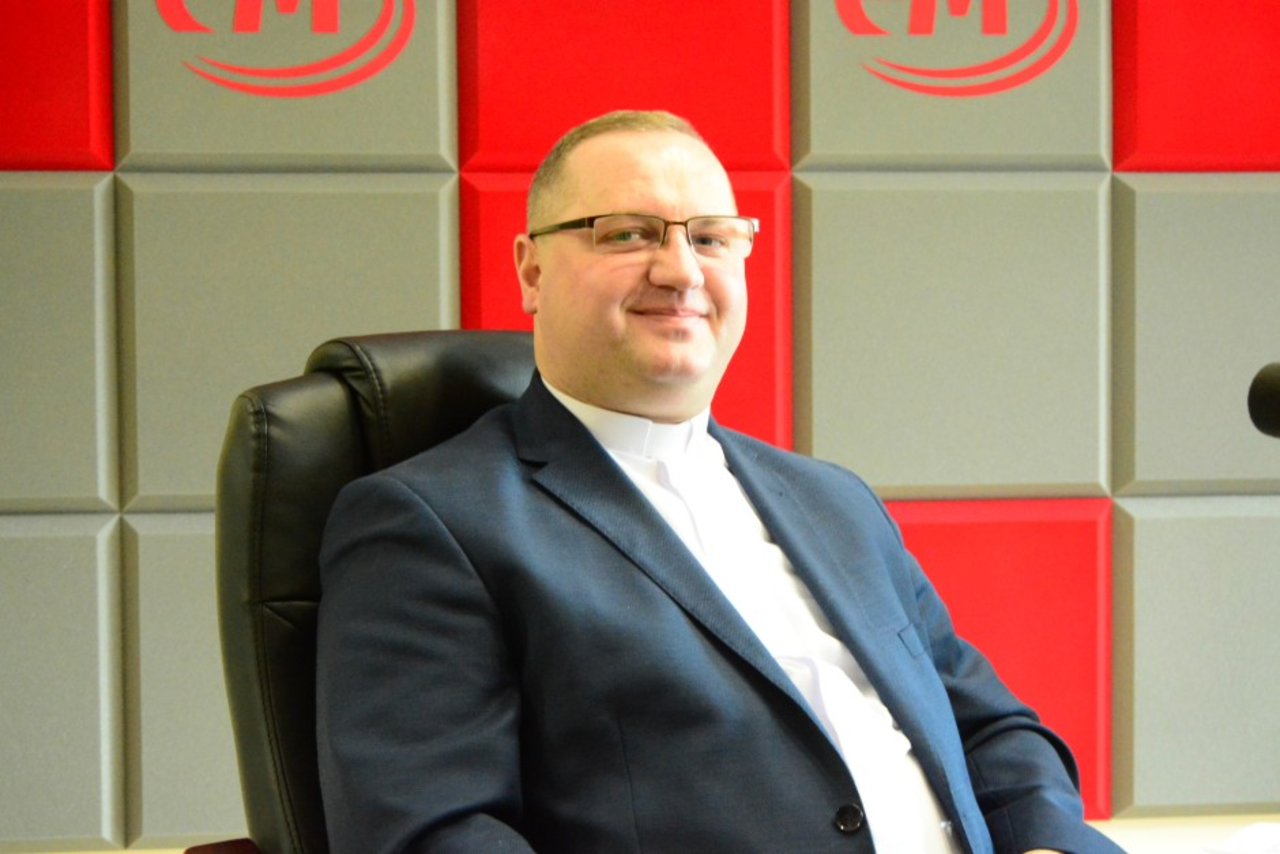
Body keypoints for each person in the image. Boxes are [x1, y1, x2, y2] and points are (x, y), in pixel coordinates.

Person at [315, 110, 1125, 854]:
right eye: (627, 233)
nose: (680, 271)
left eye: (710, 238)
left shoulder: (834, 501)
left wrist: (1049, 846)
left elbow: (993, 732)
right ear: (531, 270)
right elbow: (435, 834)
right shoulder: (432, 523)